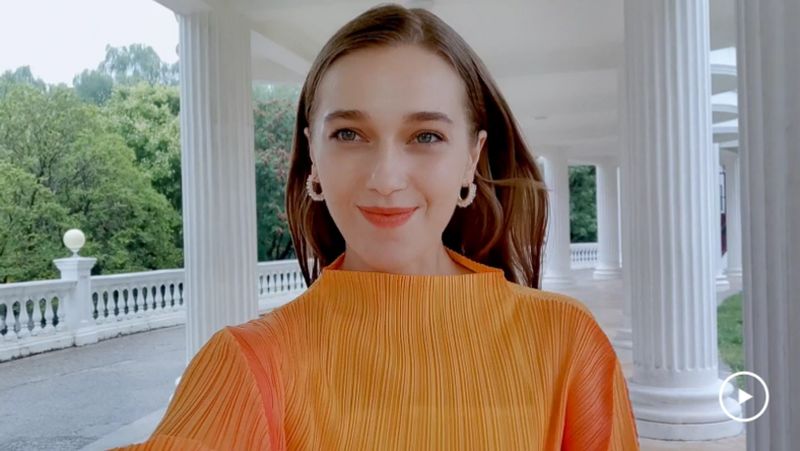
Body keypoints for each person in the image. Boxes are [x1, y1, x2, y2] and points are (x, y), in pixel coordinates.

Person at [113, 3, 639, 450]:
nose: (386, 179)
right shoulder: (250, 364)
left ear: (471, 158)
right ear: (313, 155)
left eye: (426, 136)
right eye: (349, 133)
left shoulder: (567, 342)